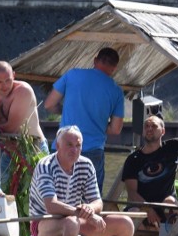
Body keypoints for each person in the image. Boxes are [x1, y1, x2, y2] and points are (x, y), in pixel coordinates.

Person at [29, 126, 136, 236]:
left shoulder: (86, 165)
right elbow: (51, 206)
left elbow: (98, 202)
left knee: (126, 224)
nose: (74, 149)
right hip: (44, 223)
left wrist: (89, 209)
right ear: (57, 145)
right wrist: (83, 212)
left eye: (78, 145)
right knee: (71, 223)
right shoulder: (46, 166)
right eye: (69, 144)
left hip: (76, 220)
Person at [43, 47, 124, 195]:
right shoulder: (116, 91)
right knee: (91, 201)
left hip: (63, 146)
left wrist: (65, 110)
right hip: (93, 151)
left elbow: (48, 104)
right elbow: (116, 129)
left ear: (95, 60)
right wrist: (97, 123)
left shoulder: (72, 74)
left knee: (57, 196)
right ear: (114, 69)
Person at [0, 60, 49, 176]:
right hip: (7, 150)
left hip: (33, 148)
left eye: (8, 80)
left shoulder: (23, 91)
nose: (4, 86)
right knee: (3, 190)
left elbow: (11, 128)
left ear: (14, 75)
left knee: (40, 189)